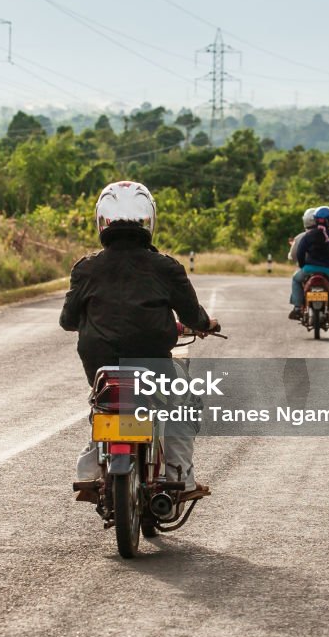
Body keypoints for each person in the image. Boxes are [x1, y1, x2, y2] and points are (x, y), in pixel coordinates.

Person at [59, 180, 218, 501]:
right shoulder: (166, 267)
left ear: (102, 221)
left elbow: (67, 321)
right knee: (182, 405)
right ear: (149, 221)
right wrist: (206, 324)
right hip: (154, 368)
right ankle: (179, 475)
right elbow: (192, 316)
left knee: (102, 406)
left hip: (101, 369)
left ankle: (88, 470)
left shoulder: (85, 269)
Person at [289, 205, 329, 321]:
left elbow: (300, 252)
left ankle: (297, 308)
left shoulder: (308, 235)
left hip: (309, 269)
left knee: (296, 279)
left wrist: (303, 265)